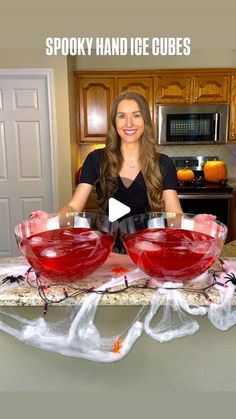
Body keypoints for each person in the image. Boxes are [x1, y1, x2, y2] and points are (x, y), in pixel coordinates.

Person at [60, 91, 182, 217]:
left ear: (145, 120)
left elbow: (175, 213)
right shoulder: (96, 159)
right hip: (109, 236)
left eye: (136, 115)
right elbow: (74, 206)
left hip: (147, 237)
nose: (129, 124)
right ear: (114, 122)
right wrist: (53, 221)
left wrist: (196, 225)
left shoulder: (164, 163)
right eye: (122, 116)